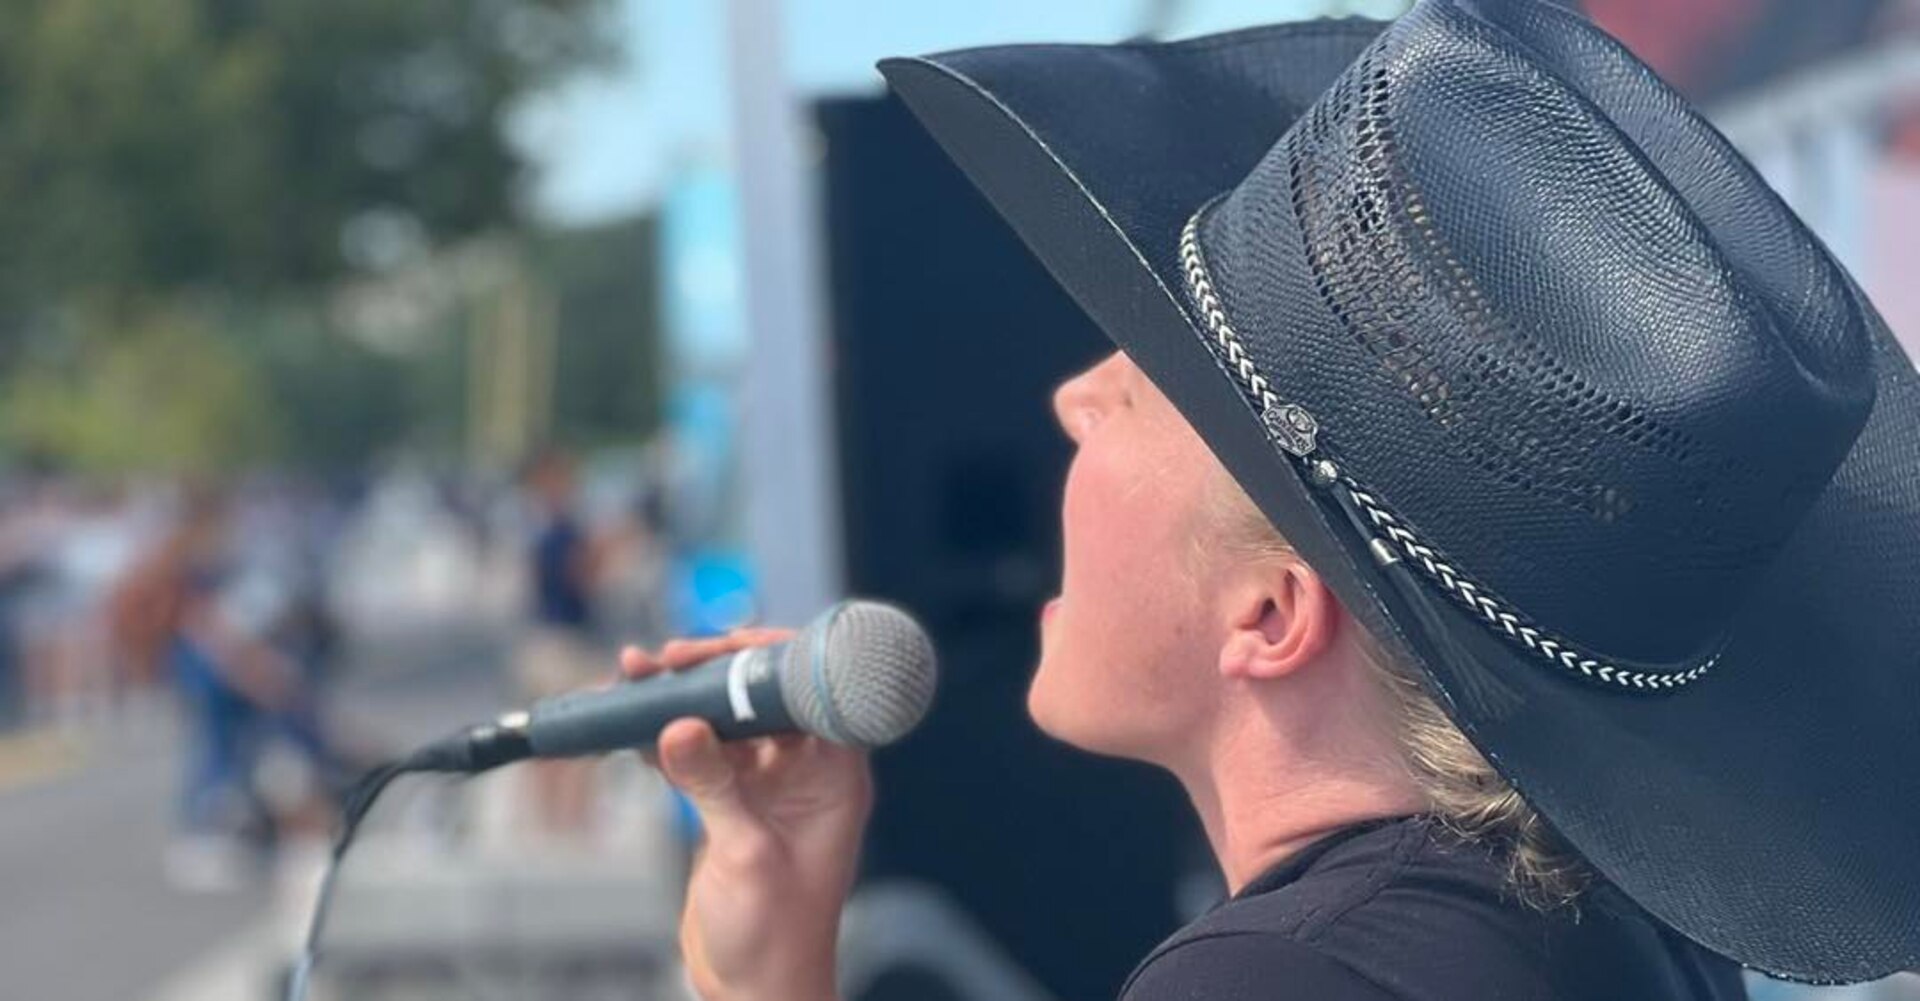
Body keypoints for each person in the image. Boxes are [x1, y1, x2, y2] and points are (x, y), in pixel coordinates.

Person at [622, 1, 1920, 998]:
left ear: (1271, 609)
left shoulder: (1293, 978)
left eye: (1137, 386)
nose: (1074, 399)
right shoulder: (1604, 922)